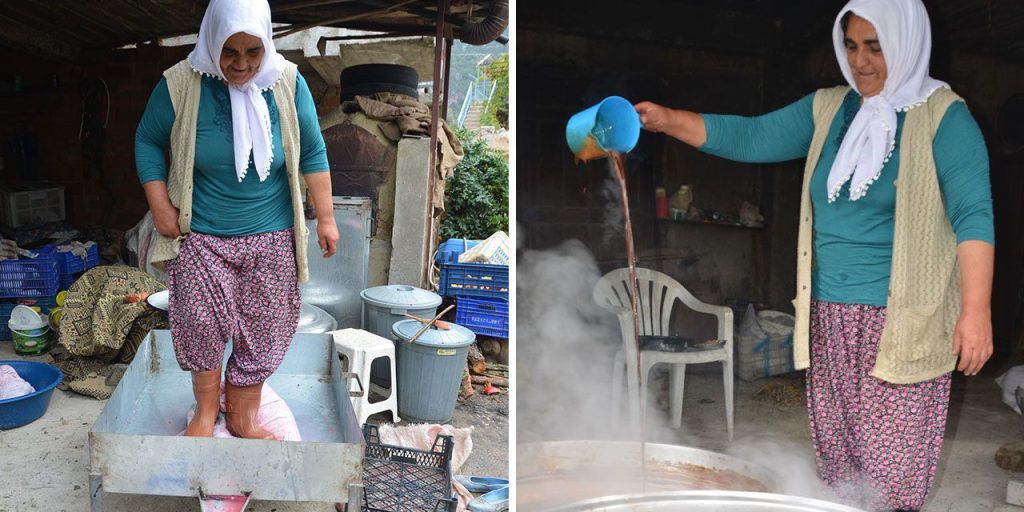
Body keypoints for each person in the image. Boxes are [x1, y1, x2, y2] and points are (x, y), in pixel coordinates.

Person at [635, 0, 993, 510]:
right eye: (850, 46)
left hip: (905, 321)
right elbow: (752, 135)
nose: (860, 61)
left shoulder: (944, 118)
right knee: (839, 465)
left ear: (908, 43)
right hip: (829, 316)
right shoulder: (830, 108)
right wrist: (668, 120)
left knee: (891, 476)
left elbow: (974, 214)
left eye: (875, 47)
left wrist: (976, 311)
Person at [134, 0, 338, 440]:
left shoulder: (287, 82)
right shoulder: (180, 84)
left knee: (264, 330)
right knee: (198, 323)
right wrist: (159, 204)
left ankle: (244, 418)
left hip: (271, 235)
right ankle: (205, 414)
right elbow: (148, 141)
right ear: (211, 40)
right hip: (202, 234)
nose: (241, 64)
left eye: (253, 52)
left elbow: (313, 151)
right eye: (230, 51)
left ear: (266, 44)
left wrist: (326, 217)